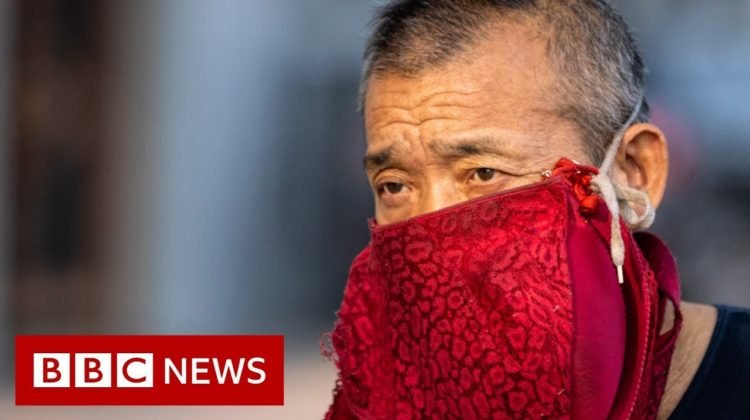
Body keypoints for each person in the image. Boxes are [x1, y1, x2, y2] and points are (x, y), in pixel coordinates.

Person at [322, 1, 750, 419]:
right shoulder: (384, 400)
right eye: (395, 186)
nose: (428, 230)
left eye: (484, 173)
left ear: (634, 172)